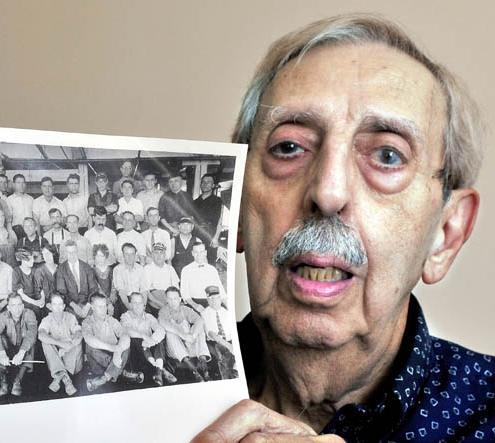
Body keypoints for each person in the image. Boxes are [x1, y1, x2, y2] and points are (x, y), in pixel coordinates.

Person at [194, 14, 494, 442]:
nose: (328, 192)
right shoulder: (132, 393)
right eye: (289, 147)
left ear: (445, 235)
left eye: (388, 156)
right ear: (236, 204)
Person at [82, 294, 143, 391]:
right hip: (99, 363)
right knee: (90, 346)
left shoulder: (111, 319)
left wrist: (117, 352)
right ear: (92, 307)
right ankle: (122, 373)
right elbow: (89, 339)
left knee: (126, 342)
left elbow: (125, 334)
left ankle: (104, 378)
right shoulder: (87, 322)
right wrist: (114, 349)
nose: (104, 309)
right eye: (100, 307)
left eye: (105, 306)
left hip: (116, 358)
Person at [120, 292, 176, 387]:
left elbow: (160, 329)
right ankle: (161, 370)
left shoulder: (149, 317)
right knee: (136, 339)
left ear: (144, 305)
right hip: (137, 354)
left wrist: (152, 340)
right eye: (135, 303)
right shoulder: (125, 316)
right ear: (130, 305)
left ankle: (158, 371)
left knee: (159, 339)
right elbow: (126, 330)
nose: (138, 306)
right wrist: (144, 337)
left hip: (150, 349)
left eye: (140, 303)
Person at [157, 287, 210, 382]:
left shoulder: (185, 309)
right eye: (170, 298)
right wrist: (182, 335)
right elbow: (163, 323)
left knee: (199, 328)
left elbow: (199, 320)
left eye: (175, 298)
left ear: (180, 299)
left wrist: (193, 335)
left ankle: (205, 369)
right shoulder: (163, 311)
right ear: (166, 299)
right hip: (176, 351)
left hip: (191, 347)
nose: (173, 302)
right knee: (170, 333)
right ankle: (195, 372)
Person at [0, 294, 38, 397]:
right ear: (8, 307)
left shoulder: (29, 314)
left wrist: (21, 353)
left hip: (23, 349)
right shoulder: (3, 316)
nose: (17, 309)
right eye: (13, 305)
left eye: (19, 305)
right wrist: (2, 354)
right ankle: (3, 381)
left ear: (23, 305)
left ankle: (18, 380)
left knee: (30, 341)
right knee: (0, 339)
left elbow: (32, 332)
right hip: (9, 348)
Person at [38, 293, 83, 396]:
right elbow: (41, 335)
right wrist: (60, 343)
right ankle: (66, 379)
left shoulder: (70, 317)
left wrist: (68, 347)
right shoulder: (47, 319)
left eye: (60, 305)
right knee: (46, 342)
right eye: (54, 304)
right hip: (57, 355)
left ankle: (59, 375)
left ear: (63, 306)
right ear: (50, 306)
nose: (57, 308)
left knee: (76, 341)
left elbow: (79, 334)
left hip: (71, 359)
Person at [200, 286, 237, 381]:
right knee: (222, 353)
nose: (213, 301)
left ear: (220, 299)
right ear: (207, 300)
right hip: (216, 342)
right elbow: (212, 334)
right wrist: (229, 346)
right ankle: (228, 377)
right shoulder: (205, 313)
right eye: (210, 299)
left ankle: (235, 370)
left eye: (216, 298)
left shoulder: (227, 312)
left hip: (230, 339)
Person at [55, 240, 98, 320]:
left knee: (93, 318)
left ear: (77, 251)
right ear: (65, 253)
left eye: (74, 252)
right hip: (70, 306)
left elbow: (94, 289)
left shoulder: (86, 267)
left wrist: (87, 306)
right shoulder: (61, 269)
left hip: (87, 304)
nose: (72, 255)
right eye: (69, 252)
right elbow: (61, 292)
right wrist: (75, 307)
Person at [179, 242, 225, 313]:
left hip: (212, 302)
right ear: (192, 253)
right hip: (194, 303)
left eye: (201, 252)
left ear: (205, 253)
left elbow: (221, 290)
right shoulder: (186, 270)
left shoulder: (212, 269)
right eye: (196, 252)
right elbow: (185, 294)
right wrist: (195, 305)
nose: (199, 255)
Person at [192, 174, 223, 264]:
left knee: (210, 262)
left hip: (211, 235)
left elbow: (220, 220)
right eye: (203, 182)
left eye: (208, 182)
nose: (205, 184)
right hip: (197, 234)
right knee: (197, 261)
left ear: (213, 186)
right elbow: (192, 220)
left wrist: (216, 238)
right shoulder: (195, 202)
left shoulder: (218, 201)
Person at [142, 242, 179, 315]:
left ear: (164, 255)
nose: (159, 255)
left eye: (161, 253)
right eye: (156, 253)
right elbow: (147, 292)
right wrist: (161, 304)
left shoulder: (170, 269)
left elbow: (176, 290)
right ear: (152, 255)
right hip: (155, 302)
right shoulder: (147, 269)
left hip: (170, 300)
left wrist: (171, 303)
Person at [112, 243, 145, 316]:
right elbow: (121, 291)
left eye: (132, 254)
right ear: (123, 255)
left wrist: (143, 306)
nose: (129, 257)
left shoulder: (140, 269)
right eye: (127, 254)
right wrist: (129, 307)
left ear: (135, 255)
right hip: (125, 300)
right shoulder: (117, 269)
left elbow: (144, 290)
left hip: (139, 299)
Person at [12, 248, 46, 318]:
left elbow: (41, 289)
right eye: (30, 259)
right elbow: (21, 294)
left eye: (33, 258)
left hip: (36, 298)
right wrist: (36, 303)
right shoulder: (16, 272)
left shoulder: (35, 270)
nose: (33, 261)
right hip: (24, 301)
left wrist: (42, 300)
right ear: (22, 260)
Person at [5, 174, 33, 239]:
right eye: (19, 183)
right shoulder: (9, 200)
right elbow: (8, 219)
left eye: (23, 183)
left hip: (30, 231)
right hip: (17, 231)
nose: (21, 185)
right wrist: (10, 232)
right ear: (14, 184)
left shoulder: (30, 199)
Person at [91, 244, 117, 312]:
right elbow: (97, 288)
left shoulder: (111, 270)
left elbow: (113, 287)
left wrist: (111, 302)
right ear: (94, 257)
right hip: (99, 300)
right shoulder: (92, 271)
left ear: (106, 256)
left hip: (112, 301)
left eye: (102, 256)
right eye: (98, 256)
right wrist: (108, 303)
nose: (100, 259)